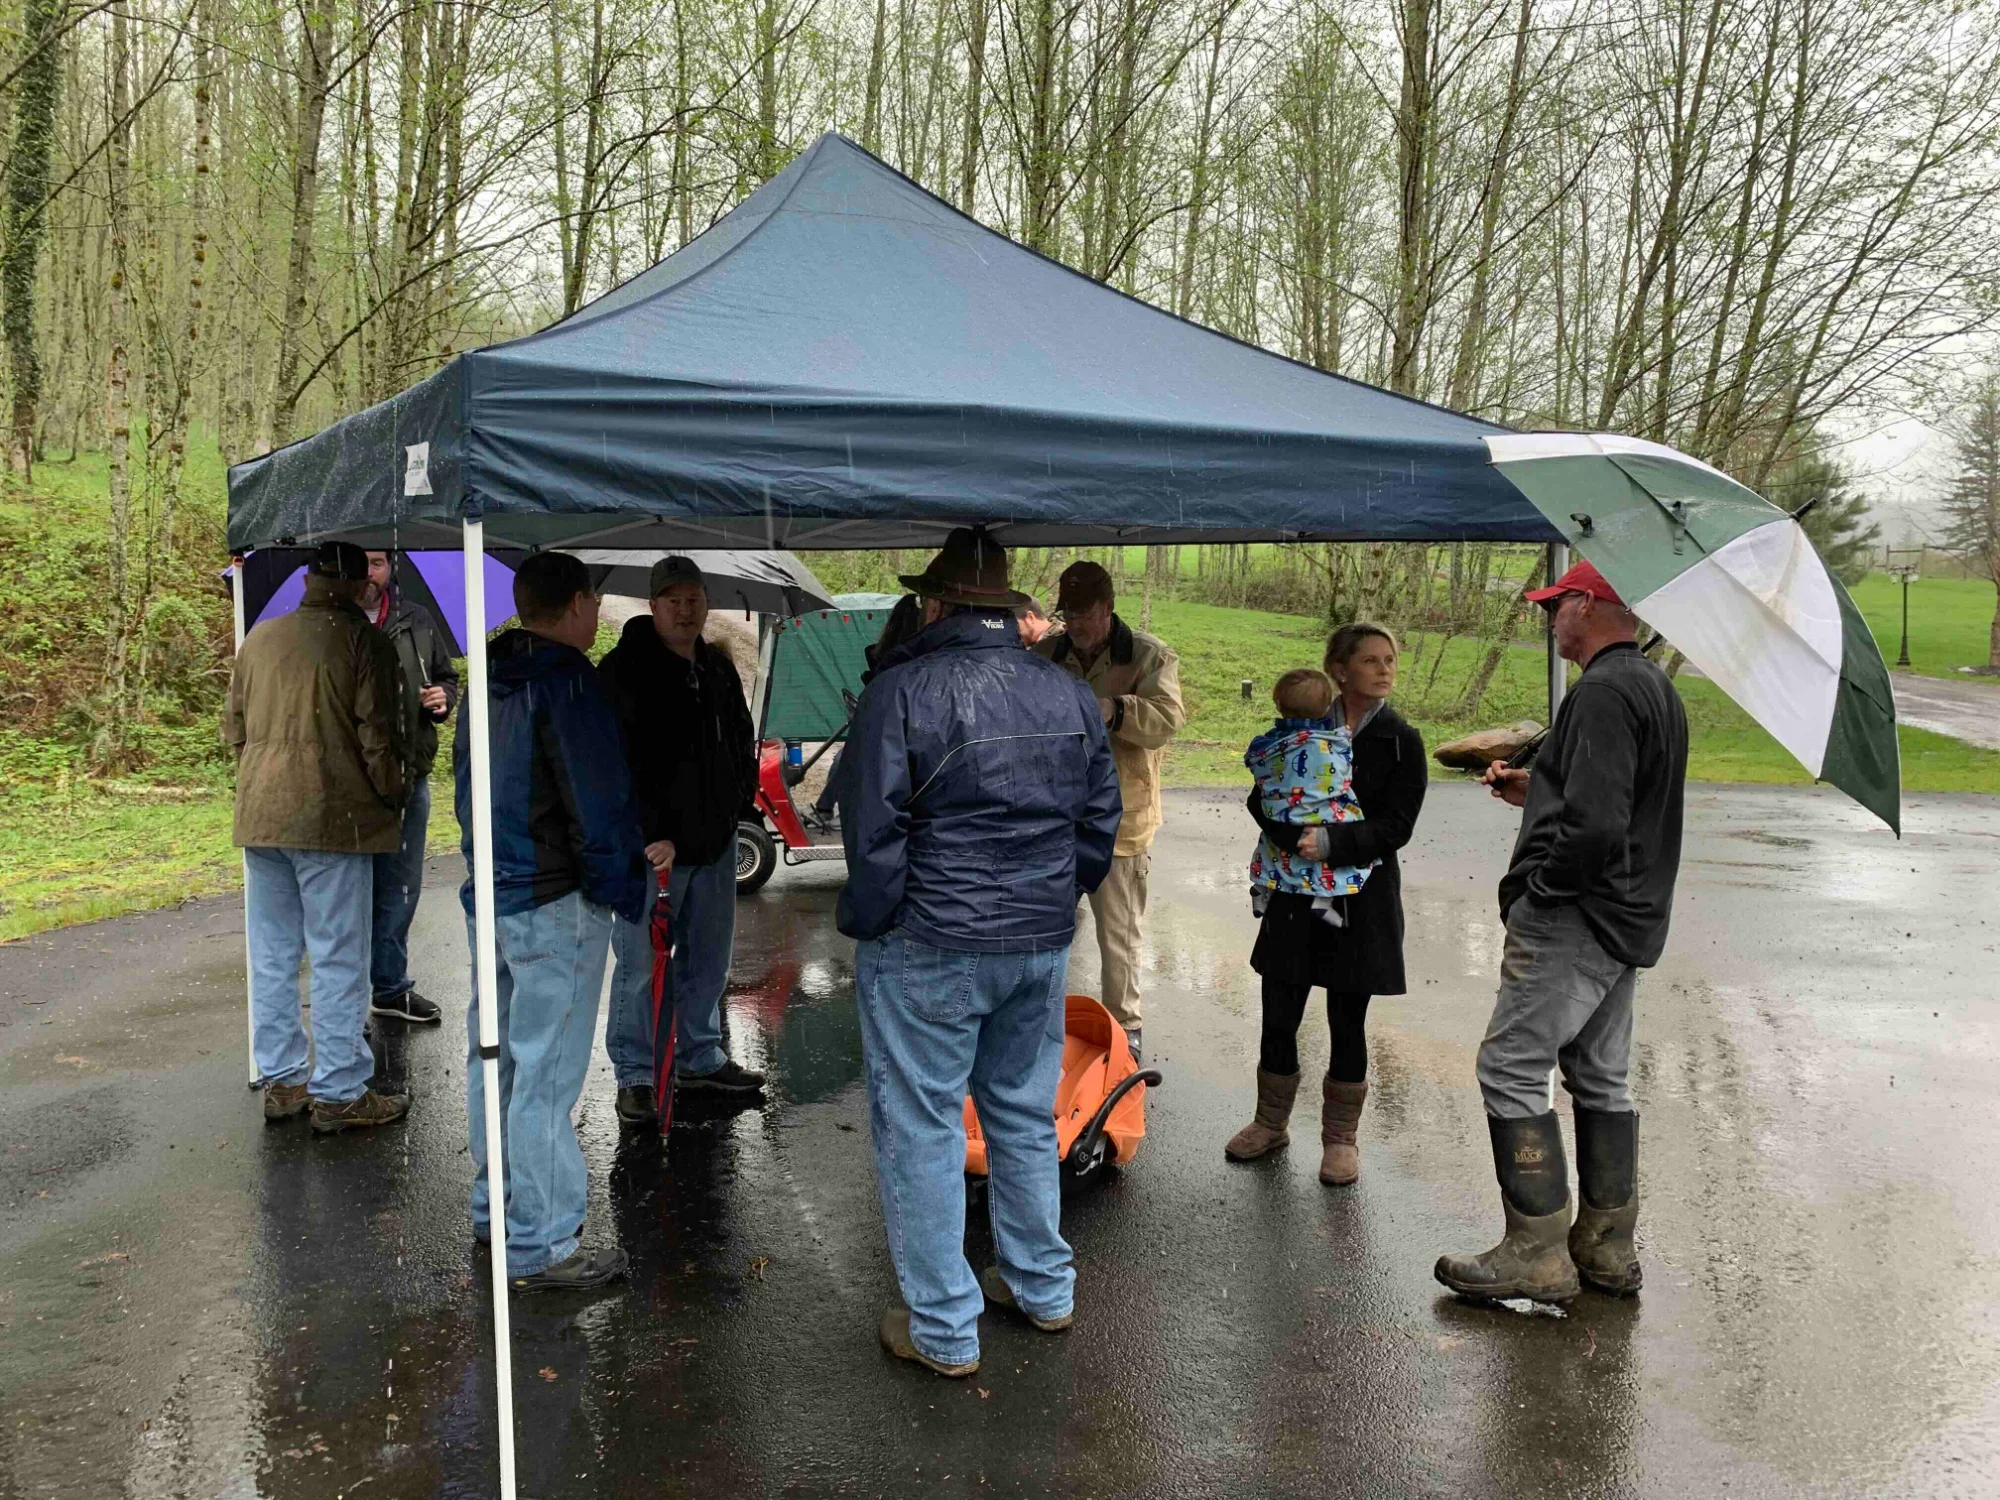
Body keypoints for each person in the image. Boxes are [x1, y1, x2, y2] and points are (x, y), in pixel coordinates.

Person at [838, 528, 1121, 1379]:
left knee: (922, 1130)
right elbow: (1096, 822)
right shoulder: (1066, 691)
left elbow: (871, 826)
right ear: (1003, 604)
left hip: (932, 939)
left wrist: (881, 918)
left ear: (937, 603)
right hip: (1035, 938)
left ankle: (944, 1330)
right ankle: (1044, 1289)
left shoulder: (903, 688)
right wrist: (1050, 898)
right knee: (1022, 1114)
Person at [1435, 559, 1686, 1304]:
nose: (1549, 619)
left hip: (1578, 914)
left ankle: (1535, 1253)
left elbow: (1599, 825)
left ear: (1586, 602)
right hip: (1629, 914)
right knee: (1600, 1075)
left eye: (1555, 605)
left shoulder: (1606, 691)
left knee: (1510, 1067)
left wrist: (1539, 894)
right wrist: (1535, 788)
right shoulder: (1652, 686)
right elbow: (1613, 804)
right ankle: (1606, 1250)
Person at [455, 550, 644, 1292]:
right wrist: (621, 887)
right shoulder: (568, 682)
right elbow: (596, 802)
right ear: (572, 605)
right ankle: (541, 1242)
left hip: (493, 892)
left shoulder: (487, 680)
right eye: (594, 601)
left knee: (493, 1057)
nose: (598, 615)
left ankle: (495, 1208)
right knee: (546, 1072)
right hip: (555, 899)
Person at [225, 540, 411, 1133]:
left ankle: (282, 1081)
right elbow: (378, 735)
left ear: (307, 579)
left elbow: (234, 729)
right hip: (336, 818)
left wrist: (257, 783)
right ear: (361, 586)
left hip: (262, 814)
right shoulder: (365, 642)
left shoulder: (258, 639)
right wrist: (393, 796)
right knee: (338, 955)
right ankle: (339, 1090)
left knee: (274, 953)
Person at [1231, 624, 1427, 1184]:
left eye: (1390, 659)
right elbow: (1262, 792)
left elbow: (1399, 825)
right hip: (1295, 892)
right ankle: (1270, 1123)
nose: (1386, 669)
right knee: (1280, 1010)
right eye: (1371, 660)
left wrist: (1336, 843)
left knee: (1348, 1017)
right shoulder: (1299, 723)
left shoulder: (1400, 739)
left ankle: (1341, 1140)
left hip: (1359, 900)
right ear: (1340, 670)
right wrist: (1295, 840)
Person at [598, 555, 766, 1124]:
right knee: (640, 965)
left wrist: (737, 805)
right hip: (654, 852)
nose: (685, 609)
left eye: (693, 598)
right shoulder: (624, 670)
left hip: (715, 843)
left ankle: (699, 1056)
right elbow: (614, 765)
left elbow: (740, 737)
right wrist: (652, 833)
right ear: (653, 605)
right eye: (673, 599)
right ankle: (636, 1075)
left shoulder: (716, 668)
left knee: (709, 961)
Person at [1032, 561, 1184, 1060]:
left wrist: (1114, 710)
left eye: (1084, 613)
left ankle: (1126, 1028)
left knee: (1118, 934)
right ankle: (1032, 1021)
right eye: (1067, 613)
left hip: (1121, 819)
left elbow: (1166, 721)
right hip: (1052, 815)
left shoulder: (1148, 655)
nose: (1074, 624)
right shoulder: (1046, 653)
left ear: (1108, 607)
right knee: (1040, 926)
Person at [359, 550, 459, 1025]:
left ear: (391, 567)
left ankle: (390, 987)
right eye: (360, 564)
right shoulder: (331, 625)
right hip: (350, 782)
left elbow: (445, 677)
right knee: (350, 890)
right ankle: (345, 1001)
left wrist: (443, 698)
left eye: (377, 563)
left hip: (409, 773)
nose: (369, 573)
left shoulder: (416, 618)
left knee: (401, 886)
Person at [1241, 668, 1373, 913]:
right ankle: (1325, 900)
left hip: (1282, 813)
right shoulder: (1336, 741)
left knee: (1273, 846)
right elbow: (1345, 770)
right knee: (1339, 841)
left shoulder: (1269, 744)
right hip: (1329, 816)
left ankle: (1264, 885)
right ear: (1326, 708)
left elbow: (1254, 761)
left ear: (1278, 704)